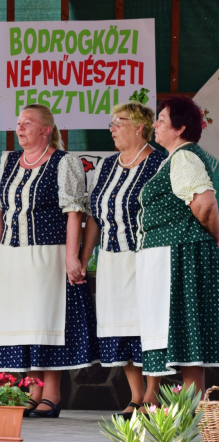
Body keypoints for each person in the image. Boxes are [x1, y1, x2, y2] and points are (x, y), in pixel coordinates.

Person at [0, 103, 98, 418]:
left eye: (28, 123)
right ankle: (32, 391)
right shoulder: (8, 160)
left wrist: (71, 257)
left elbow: (74, 212)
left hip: (47, 255)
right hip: (12, 255)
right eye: (19, 122)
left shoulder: (64, 162)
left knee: (46, 321)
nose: (20, 128)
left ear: (46, 130)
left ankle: (52, 393)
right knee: (22, 323)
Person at [79, 103, 165, 415]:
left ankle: (153, 395)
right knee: (121, 327)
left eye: (120, 122)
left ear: (140, 127)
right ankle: (135, 395)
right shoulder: (107, 166)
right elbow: (94, 218)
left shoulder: (159, 163)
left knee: (148, 325)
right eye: (112, 122)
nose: (112, 128)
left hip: (145, 257)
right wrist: (85, 258)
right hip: (112, 260)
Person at [135, 95, 219, 395]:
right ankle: (191, 412)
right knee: (184, 335)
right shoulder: (175, 158)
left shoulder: (184, 157)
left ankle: (193, 412)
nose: (154, 124)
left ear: (180, 128)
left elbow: (206, 205)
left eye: (161, 119)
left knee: (185, 332)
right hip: (170, 254)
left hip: (180, 255)